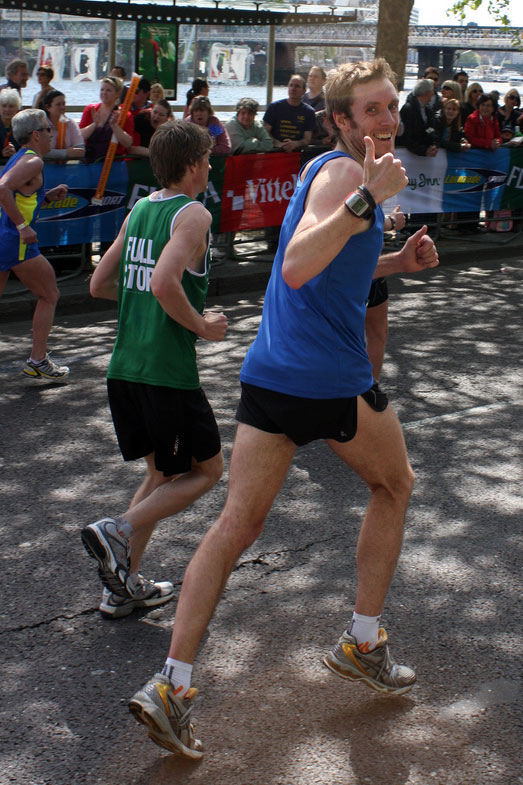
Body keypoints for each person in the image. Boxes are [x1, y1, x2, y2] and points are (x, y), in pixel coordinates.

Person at [93, 58, 439, 758]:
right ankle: (362, 639)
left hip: (273, 375)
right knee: (394, 484)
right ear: (340, 119)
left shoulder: (323, 170)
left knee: (235, 523)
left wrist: (394, 263)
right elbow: (293, 267)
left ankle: (172, 684)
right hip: (329, 380)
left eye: (389, 105)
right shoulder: (348, 178)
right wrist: (368, 199)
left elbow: (323, 260)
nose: (386, 118)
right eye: (370, 109)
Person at [81, 120, 227, 619]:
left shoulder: (141, 208)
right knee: (207, 470)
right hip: (167, 371)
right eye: (206, 159)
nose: (210, 166)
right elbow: (165, 284)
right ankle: (116, 530)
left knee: (162, 473)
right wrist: (203, 327)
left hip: (124, 369)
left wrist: (145, 298)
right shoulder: (193, 215)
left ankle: (121, 587)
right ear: (191, 166)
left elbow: (100, 282)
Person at [0, 109, 70, 381]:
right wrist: (22, 226)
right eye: (48, 128)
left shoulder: (23, 159)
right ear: (36, 134)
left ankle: (38, 359)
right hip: (14, 241)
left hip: (5, 237)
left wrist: (47, 197)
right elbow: (3, 188)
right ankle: (38, 360)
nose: (52, 133)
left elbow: (18, 194)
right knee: (50, 293)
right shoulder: (34, 162)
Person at [79, 76, 134, 163]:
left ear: (117, 93)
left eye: (108, 90)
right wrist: (94, 125)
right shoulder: (90, 109)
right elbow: (79, 136)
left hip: (113, 163)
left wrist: (114, 126)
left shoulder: (124, 115)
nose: (104, 93)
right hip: (90, 161)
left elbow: (128, 143)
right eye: (102, 89)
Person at [263, 74, 316, 152]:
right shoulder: (274, 107)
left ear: (304, 91)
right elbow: (264, 133)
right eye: (291, 85)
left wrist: (296, 144)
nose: (293, 89)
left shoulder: (309, 112)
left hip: (296, 154)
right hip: (274, 152)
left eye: (297, 86)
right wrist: (278, 144)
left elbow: (307, 139)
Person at [396, 78, 438, 157]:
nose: (433, 93)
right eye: (432, 91)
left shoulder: (428, 110)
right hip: (407, 155)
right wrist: (422, 151)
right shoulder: (408, 109)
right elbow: (406, 137)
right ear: (427, 92)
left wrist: (433, 145)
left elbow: (431, 129)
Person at [42, 90, 85, 160]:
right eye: (58, 104)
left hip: (66, 167)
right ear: (48, 108)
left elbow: (81, 150)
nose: (62, 107)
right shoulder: (41, 125)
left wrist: (54, 153)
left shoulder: (70, 124)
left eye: (64, 104)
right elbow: (41, 152)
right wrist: (66, 153)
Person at [0, 88, 22, 161]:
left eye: (11, 106)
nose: (7, 109)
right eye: (4, 106)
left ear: (17, 108)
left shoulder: (22, 127)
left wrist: (15, 154)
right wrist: (1, 153)